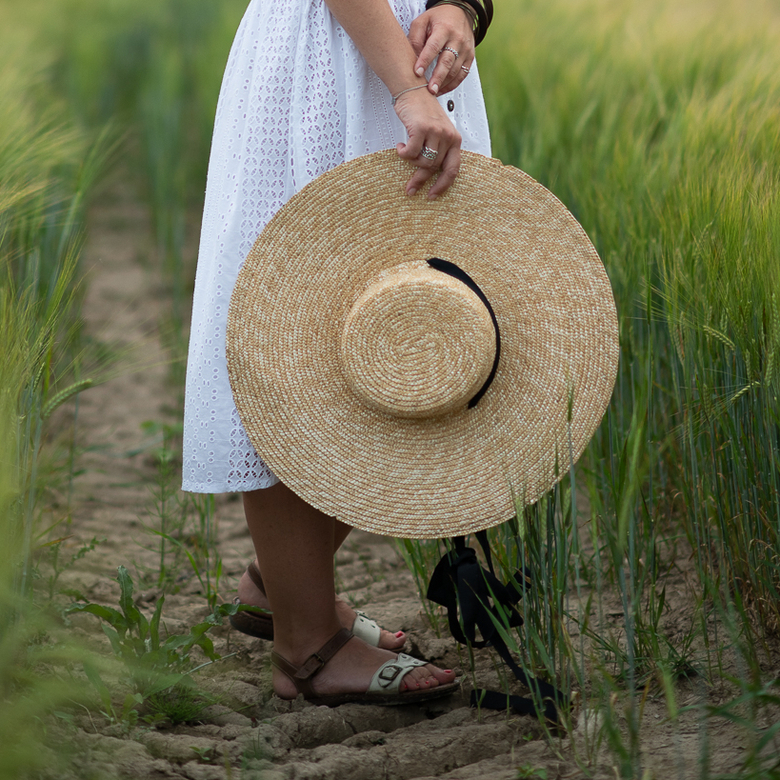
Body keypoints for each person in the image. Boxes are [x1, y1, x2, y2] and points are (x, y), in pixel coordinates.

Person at [183, 0, 492, 703]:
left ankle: (286, 590)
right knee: (301, 341)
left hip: (403, 60)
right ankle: (307, 645)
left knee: (421, 341)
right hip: (330, 63)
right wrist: (408, 89)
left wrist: (460, 7)